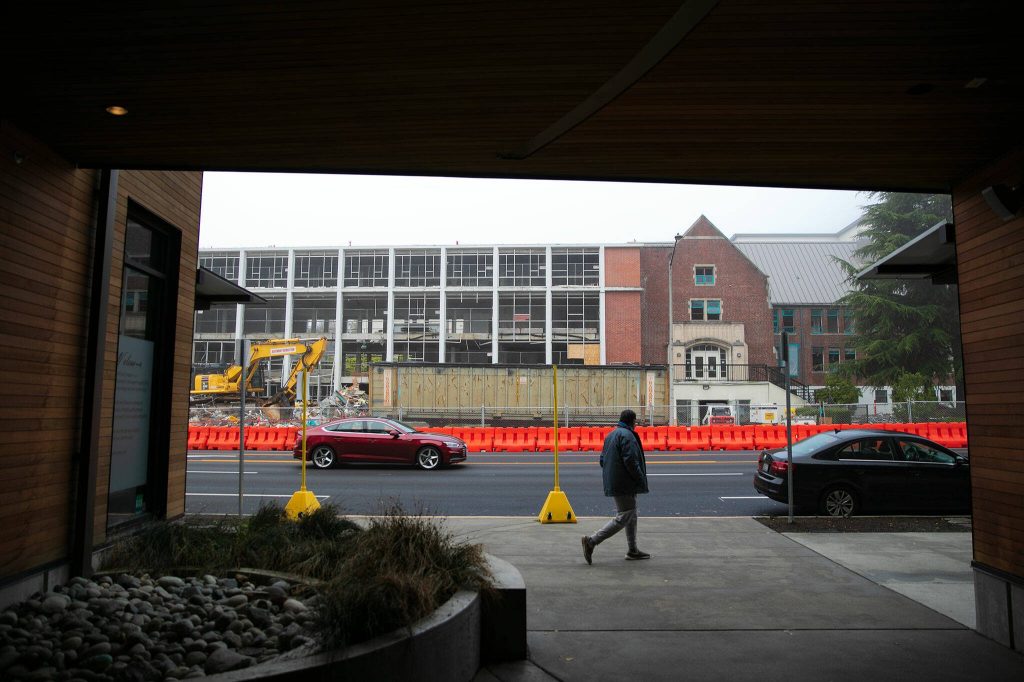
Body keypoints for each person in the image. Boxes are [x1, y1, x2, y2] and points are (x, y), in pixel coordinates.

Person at [581, 409, 651, 564]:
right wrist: (640, 478)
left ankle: (633, 550)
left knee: (631, 514)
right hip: (625, 482)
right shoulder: (627, 436)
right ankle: (592, 541)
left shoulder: (611, 435)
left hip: (616, 481)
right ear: (632, 422)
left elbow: (602, 460)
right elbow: (631, 461)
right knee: (626, 514)